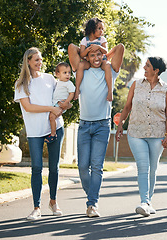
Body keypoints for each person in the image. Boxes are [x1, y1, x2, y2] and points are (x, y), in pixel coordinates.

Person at [68, 42, 125, 217]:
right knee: (83, 166)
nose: (96, 58)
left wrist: (102, 50)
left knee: (97, 166)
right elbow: (71, 47)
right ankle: (92, 192)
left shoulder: (110, 71)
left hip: (102, 125)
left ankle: (92, 203)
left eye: (98, 55)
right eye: (92, 55)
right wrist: (86, 50)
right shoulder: (81, 71)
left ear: (103, 56)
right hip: (84, 125)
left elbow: (121, 47)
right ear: (87, 57)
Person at [14, 47, 71, 220]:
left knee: (54, 168)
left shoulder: (50, 79)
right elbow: (28, 107)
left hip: (55, 127)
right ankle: (36, 207)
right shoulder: (21, 84)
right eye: (36, 60)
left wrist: (64, 106)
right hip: (35, 131)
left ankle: (53, 202)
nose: (40, 62)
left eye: (41, 59)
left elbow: (61, 98)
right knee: (37, 168)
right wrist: (50, 108)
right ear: (28, 62)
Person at [115, 57, 167, 217]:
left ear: (156, 70)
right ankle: (144, 202)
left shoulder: (166, 89)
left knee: (152, 169)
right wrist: (121, 125)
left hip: (157, 134)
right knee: (143, 167)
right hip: (136, 132)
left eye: (148, 66)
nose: (144, 67)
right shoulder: (136, 84)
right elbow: (127, 107)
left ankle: (149, 202)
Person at [69, 17, 118, 102]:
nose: (101, 31)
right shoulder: (85, 40)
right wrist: (87, 50)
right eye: (99, 28)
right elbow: (81, 54)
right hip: (88, 61)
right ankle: (77, 89)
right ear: (92, 28)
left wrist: (99, 47)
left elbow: (105, 51)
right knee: (80, 65)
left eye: (102, 29)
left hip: (101, 60)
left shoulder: (102, 39)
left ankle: (110, 91)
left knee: (107, 66)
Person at [45, 62, 75, 143]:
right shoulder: (58, 82)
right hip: (56, 103)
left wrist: (66, 103)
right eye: (65, 73)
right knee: (50, 117)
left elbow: (72, 93)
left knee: (52, 117)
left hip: (61, 104)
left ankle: (53, 135)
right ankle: (52, 133)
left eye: (69, 72)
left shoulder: (69, 83)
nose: (68, 75)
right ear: (57, 74)